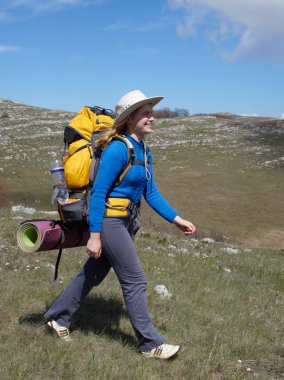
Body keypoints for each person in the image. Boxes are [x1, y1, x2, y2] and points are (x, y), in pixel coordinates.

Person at [44, 90, 196, 359]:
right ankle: (150, 344)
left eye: (151, 112)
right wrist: (94, 235)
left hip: (127, 223)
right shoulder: (117, 148)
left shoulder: (144, 150)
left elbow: (151, 193)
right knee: (135, 279)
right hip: (109, 223)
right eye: (145, 113)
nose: (152, 118)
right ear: (129, 119)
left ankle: (58, 317)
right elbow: (100, 193)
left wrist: (177, 219)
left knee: (93, 273)